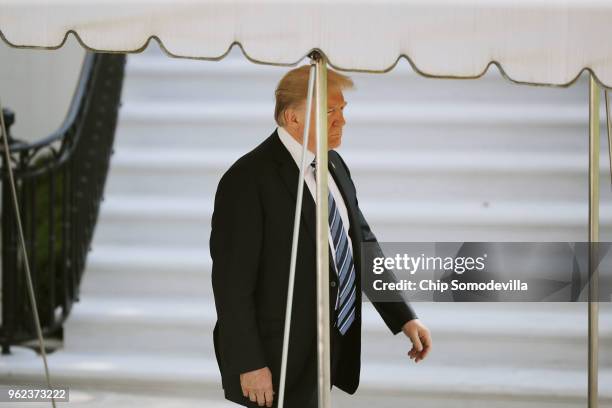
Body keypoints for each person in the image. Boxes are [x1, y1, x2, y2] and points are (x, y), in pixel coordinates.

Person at [210, 65, 432, 408]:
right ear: (291, 118)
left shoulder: (334, 164)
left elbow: (362, 243)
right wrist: (249, 363)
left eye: (343, 110)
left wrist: (403, 315)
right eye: (330, 111)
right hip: (275, 359)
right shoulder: (247, 180)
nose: (341, 121)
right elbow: (231, 286)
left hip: (329, 348)